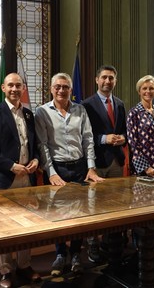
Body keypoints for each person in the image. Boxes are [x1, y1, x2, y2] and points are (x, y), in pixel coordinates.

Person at [35, 72, 104, 277]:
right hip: (59, 168)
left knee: (80, 214)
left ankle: (75, 254)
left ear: (71, 90)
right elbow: (43, 144)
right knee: (58, 215)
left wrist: (91, 167)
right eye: (58, 86)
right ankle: (60, 254)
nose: (61, 90)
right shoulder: (42, 112)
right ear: (51, 89)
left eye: (65, 87)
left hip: (80, 167)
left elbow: (88, 139)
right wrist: (51, 172)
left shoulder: (80, 110)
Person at [0, 73, 41, 288]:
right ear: (3, 89)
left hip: (27, 178)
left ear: (23, 88)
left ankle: (24, 266)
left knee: (27, 226)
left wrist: (35, 159)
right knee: (5, 229)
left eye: (18, 85)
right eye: (11, 85)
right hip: (5, 178)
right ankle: (6, 271)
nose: (15, 89)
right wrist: (10, 165)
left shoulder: (28, 114)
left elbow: (34, 144)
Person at [82, 65, 127, 262]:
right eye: (104, 78)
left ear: (115, 81)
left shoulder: (119, 104)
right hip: (97, 162)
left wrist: (123, 139)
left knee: (114, 205)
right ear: (96, 80)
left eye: (111, 78)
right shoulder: (86, 104)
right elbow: (85, 134)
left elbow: (125, 130)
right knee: (93, 206)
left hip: (116, 161)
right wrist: (104, 139)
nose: (108, 81)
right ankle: (93, 246)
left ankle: (111, 243)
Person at [126, 75, 154, 176]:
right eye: (144, 88)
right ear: (139, 91)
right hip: (142, 170)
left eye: (151, 88)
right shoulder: (134, 113)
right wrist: (145, 167)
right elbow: (133, 143)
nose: (148, 91)